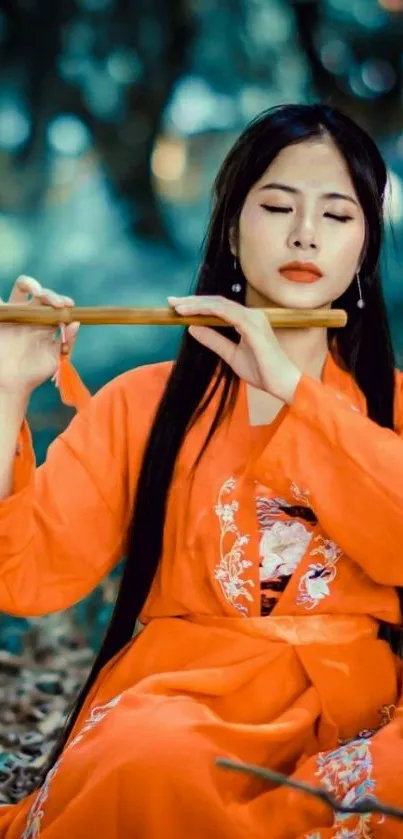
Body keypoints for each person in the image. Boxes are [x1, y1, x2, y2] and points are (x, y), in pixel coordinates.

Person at [0, 103, 403, 839]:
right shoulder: (142, 404)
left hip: (362, 707)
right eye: (276, 205)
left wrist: (293, 392)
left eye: (336, 215)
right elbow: (21, 573)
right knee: (151, 761)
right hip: (184, 700)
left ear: (363, 252)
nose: (303, 232)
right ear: (228, 227)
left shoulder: (393, 401)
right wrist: (6, 389)